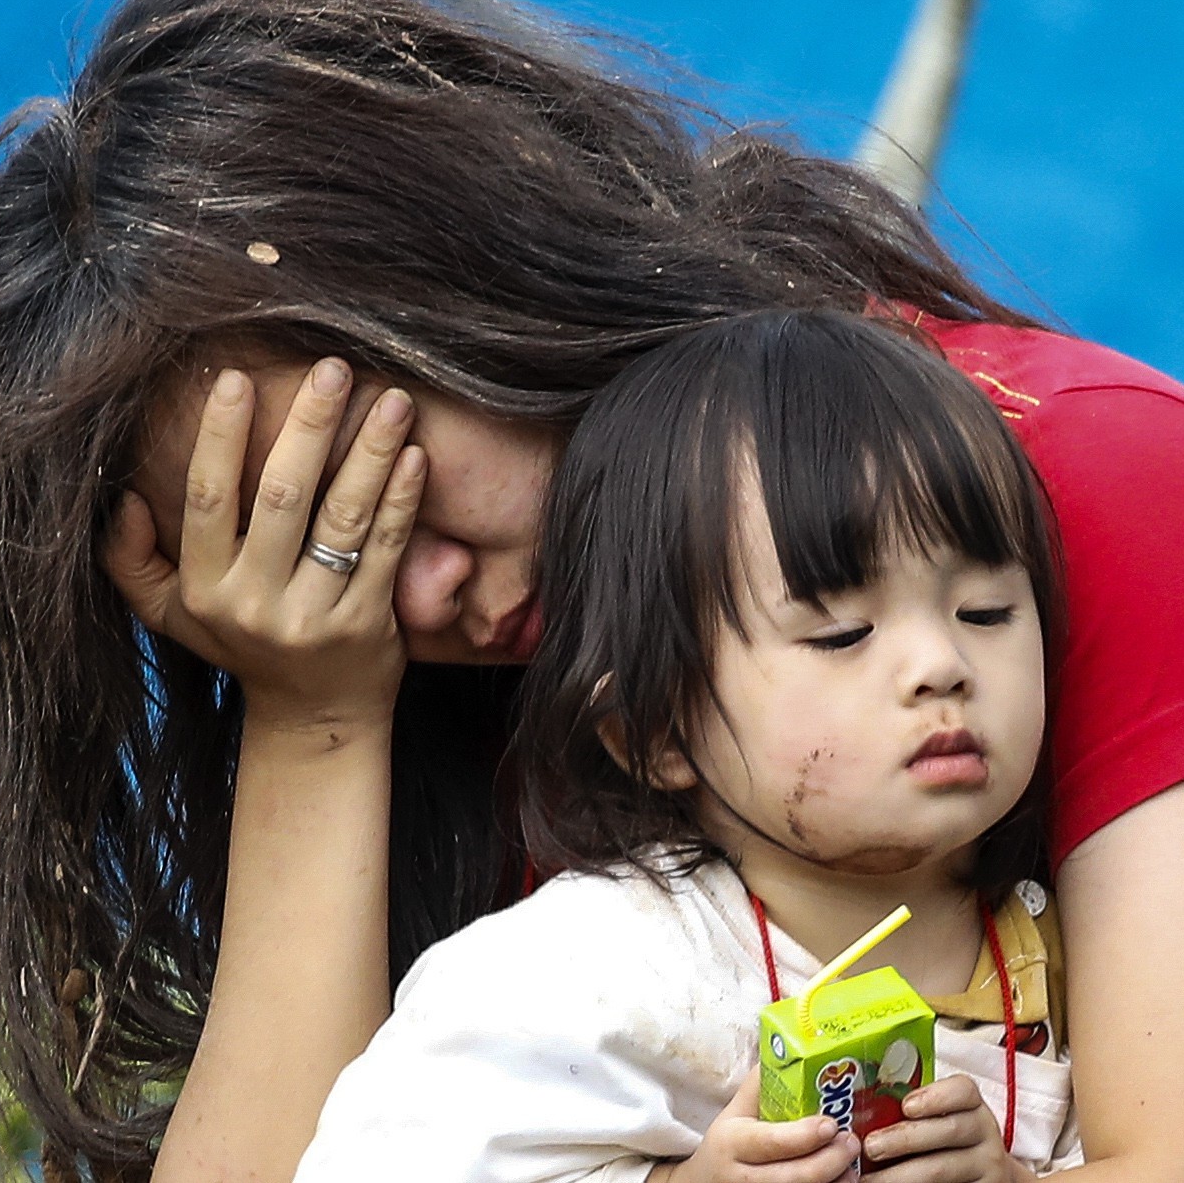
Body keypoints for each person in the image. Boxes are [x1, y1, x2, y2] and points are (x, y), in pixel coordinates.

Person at [0, 0, 1184, 1183]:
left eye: (382, 496)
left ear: (486, 270)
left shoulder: (1066, 499)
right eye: (293, 561)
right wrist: (314, 722)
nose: (402, 598)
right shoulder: (522, 708)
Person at [296, 309, 1080, 1182]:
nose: (942, 662)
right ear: (658, 732)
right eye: (842, 633)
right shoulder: (585, 976)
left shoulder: (1094, 940)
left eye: (987, 614)